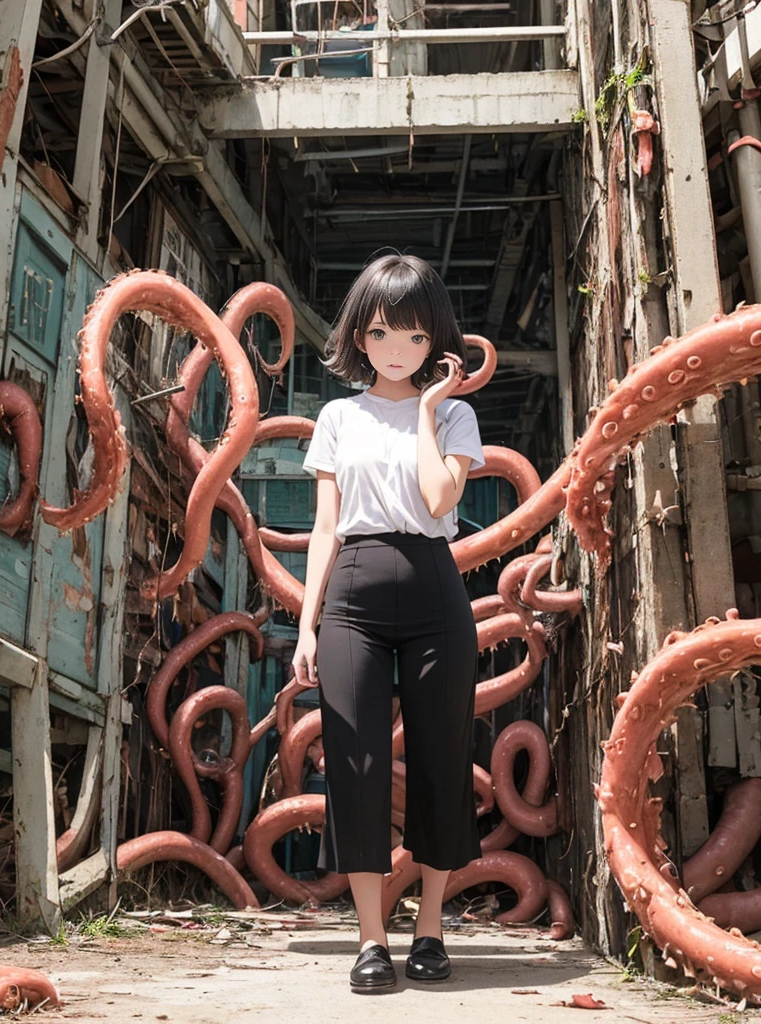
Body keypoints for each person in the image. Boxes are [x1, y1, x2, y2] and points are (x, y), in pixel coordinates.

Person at [291, 253, 484, 991]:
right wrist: (307, 626)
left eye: (410, 334)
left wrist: (430, 411)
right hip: (355, 596)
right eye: (380, 333)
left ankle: (429, 931)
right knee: (357, 764)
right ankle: (371, 941)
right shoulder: (339, 415)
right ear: (359, 337)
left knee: (440, 760)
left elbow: (439, 501)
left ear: (433, 337)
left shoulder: (457, 414)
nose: (395, 350)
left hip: (436, 593)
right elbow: (326, 528)